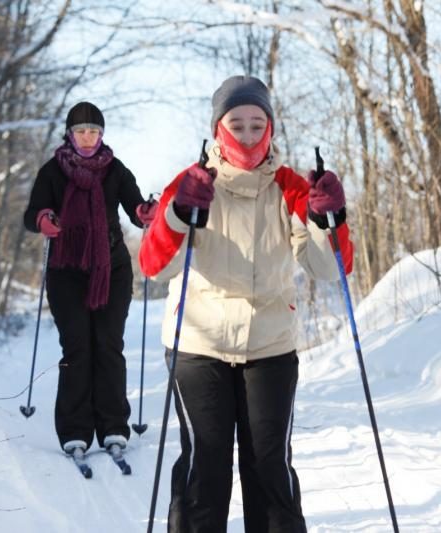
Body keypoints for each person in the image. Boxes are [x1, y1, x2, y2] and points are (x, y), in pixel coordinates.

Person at [139, 76, 354, 532]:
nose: (249, 135)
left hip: (270, 346)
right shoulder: (192, 183)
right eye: (237, 124)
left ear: (271, 128)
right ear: (219, 127)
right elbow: (155, 266)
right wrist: (178, 213)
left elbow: (327, 267)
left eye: (258, 124)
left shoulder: (291, 185)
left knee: (269, 467)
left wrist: (326, 218)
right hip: (198, 345)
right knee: (205, 467)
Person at [23, 102, 158, 457]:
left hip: (110, 270)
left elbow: (136, 209)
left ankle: (114, 426)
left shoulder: (115, 170)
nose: (87, 137)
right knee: (78, 347)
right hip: (66, 272)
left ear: (102, 135)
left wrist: (146, 212)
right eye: (81, 131)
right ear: (70, 134)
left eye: (94, 131)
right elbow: (32, 213)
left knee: (109, 346)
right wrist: (43, 219)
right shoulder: (53, 171)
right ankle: (74, 430)